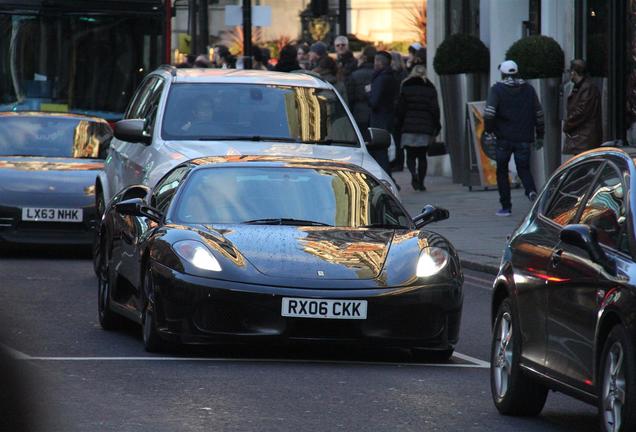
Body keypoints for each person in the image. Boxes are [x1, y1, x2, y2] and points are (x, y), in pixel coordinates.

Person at [484, 60, 544, 217]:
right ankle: (531, 191)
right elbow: (539, 113)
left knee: (502, 171)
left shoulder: (497, 89)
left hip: (503, 137)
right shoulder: (529, 89)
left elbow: (489, 113)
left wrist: (489, 130)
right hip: (524, 137)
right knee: (524, 168)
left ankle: (506, 206)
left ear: (503, 74)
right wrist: (540, 134)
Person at [394, 65, 440, 191]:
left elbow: (400, 108)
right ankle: (421, 182)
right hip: (425, 126)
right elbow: (435, 109)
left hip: (408, 126)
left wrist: (399, 123)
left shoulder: (406, 86)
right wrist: (436, 125)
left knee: (410, 155)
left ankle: (413, 174)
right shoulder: (430, 87)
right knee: (422, 156)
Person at [367, 50, 399, 174]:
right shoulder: (392, 76)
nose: (374, 64)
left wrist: (368, 93)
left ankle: (387, 179)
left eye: (375, 61)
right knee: (382, 151)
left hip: (379, 119)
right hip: (387, 117)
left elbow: (374, 102)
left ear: (380, 62)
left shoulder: (381, 79)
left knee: (380, 152)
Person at [563, 59, 602, 155]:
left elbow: (582, 111)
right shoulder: (580, 87)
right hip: (582, 138)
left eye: (570, 71)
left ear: (574, 72)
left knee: (582, 166)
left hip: (584, 138)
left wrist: (568, 124)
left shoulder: (587, 88)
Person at [346, 45, 377, 141]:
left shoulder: (355, 74)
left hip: (358, 113)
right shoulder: (379, 74)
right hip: (375, 114)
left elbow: (350, 96)